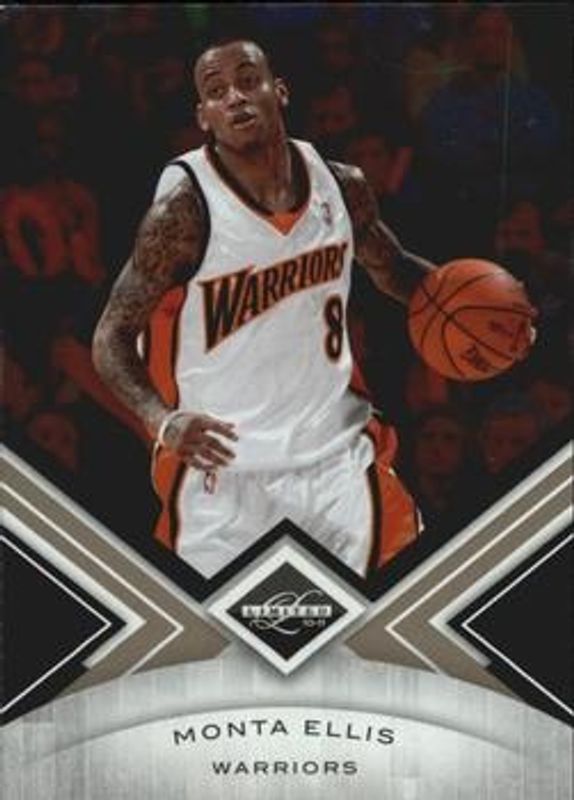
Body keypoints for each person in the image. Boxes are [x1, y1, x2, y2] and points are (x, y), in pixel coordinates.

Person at [92, 39, 436, 579]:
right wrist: (162, 421)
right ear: (203, 116)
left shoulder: (342, 186)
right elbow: (110, 337)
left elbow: (395, 271)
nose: (235, 97)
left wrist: (472, 300)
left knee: (399, 612)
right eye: (216, 91)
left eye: (248, 80)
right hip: (226, 474)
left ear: (280, 91)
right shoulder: (182, 211)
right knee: (222, 631)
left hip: (339, 460)